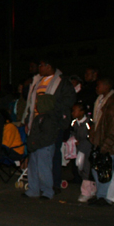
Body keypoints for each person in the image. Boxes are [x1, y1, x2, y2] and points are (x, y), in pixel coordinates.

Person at [21, 59, 76, 193]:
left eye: (41, 65)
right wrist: (29, 120)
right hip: (36, 123)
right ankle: (36, 187)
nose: (39, 67)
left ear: (49, 66)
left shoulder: (62, 82)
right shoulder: (38, 81)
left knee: (52, 154)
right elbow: (31, 103)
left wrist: (51, 109)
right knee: (34, 154)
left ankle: (53, 184)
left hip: (52, 123)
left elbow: (69, 100)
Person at [89, 77, 114, 206]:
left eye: (99, 85)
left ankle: (105, 197)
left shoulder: (112, 104)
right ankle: (100, 195)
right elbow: (97, 123)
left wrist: (107, 145)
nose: (96, 88)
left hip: (107, 143)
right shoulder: (101, 101)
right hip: (100, 141)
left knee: (105, 170)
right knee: (97, 169)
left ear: (107, 86)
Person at [24, 94, 60, 199]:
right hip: (37, 146)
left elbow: (47, 136)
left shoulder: (50, 118)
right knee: (33, 169)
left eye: (38, 103)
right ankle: (33, 189)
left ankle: (47, 191)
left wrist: (35, 144)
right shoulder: (40, 117)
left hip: (44, 147)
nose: (36, 105)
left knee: (44, 170)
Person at [71, 102, 95, 203]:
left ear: (82, 111)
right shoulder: (74, 123)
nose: (72, 113)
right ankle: (91, 189)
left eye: (75, 110)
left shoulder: (89, 123)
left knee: (86, 168)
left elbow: (91, 137)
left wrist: (82, 143)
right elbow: (73, 133)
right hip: (79, 148)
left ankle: (86, 192)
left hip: (87, 149)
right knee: (80, 168)